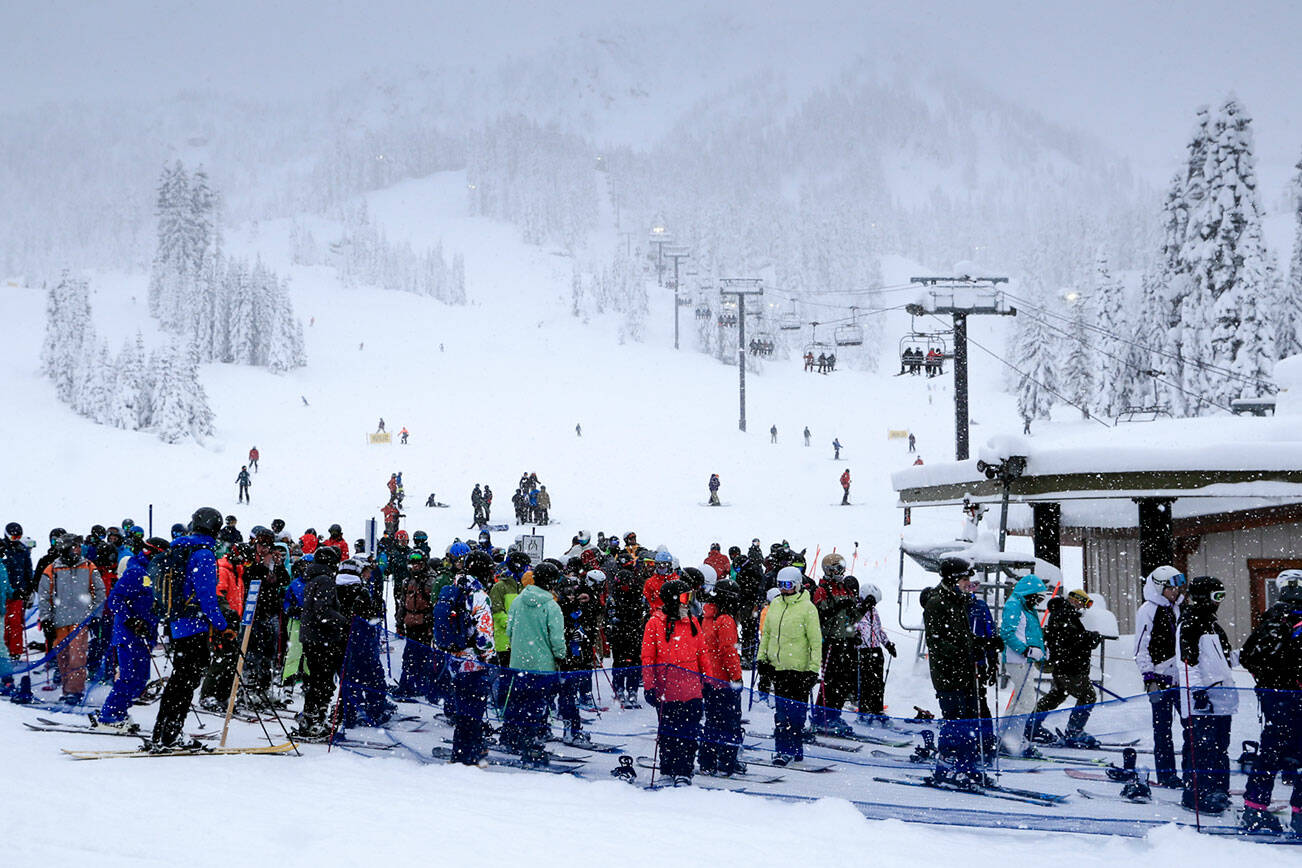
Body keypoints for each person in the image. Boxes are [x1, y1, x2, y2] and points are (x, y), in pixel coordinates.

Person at [152, 508, 233, 749]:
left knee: (178, 680)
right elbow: (208, 597)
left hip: (176, 622)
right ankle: (172, 734)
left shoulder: (179, 547)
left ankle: (161, 731)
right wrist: (222, 625)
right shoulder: (204, 554)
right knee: (186, 681)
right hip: (193, 624)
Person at [1238, 569, 1302, 835]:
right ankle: (1298, 815)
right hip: (1293, 698)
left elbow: (1246, 656)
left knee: (1270, 754)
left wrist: (1265, 680)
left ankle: (1255, 809)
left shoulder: (1270, 619)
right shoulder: (1292, 620)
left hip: (1273, 700)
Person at [1176, 575, 1237, 815]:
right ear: (1203, 597)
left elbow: (1224, 660)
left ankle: (1218, 790)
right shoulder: (1190, 623)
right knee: (1201, 747)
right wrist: (1197, 690)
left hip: (1221, 698)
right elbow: (1187, 662)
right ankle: (1196, 794)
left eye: (1222, 596)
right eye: (1216, 596)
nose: (1219, 602)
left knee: (1220, 746)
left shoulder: (1213, 625)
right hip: (1201, 699)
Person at [923, 555, 985, 787]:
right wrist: (967, 653)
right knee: (955, 720)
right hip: (948, 674)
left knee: (968, 719)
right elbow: (937, 642)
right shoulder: (937, 602)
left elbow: (962, 637)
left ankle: (966, 766)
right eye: (965, 578)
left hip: (964, 672)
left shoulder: (959, 601)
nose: (968, 583)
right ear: (953, 579)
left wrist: (981, 644)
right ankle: (947, 767)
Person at [96, 536, 169, 730]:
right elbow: (115, 599)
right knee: (129, 676)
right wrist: (131, 619)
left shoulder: (153, 574)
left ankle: (119, 711)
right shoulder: (136, 572)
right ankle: (110, 716)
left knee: (140, 679)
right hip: (129, 634)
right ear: (151, 553)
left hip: (145, 634)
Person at [642, 578, 707, 785]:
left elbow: (702, 653)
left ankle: (684, 770)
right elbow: (648, 657)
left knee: (689, 733)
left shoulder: (693, 622)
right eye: (683, 598)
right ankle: (668, 769)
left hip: (691, 691)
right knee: (668, 732)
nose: (686, 603)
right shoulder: (655, 623)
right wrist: (649, 686)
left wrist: (708, 680)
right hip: (667, 691)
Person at [757, 566, 821, 766]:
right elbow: (767, 635)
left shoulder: (807, 608)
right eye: (780, 585)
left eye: (788, 585)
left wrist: (812, 670)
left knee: (796, 714)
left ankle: (795, 747)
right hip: (779, 668)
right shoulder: (775, 605)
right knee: (782, 713)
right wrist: (762, 660)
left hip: (798, 671)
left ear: (797, 585)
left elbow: (815, 641)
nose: (784, 590)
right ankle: (783, 750)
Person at [503, 561, 565, 763]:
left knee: (516, 702)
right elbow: (557, 638)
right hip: (542, 666)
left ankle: (511, 738)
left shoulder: (518, 601)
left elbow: (509, 630)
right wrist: (561, 655)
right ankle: (533, 745)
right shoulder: (551, 606)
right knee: (536, 706)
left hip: (518, 663)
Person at [439, 550, 496, 765]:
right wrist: (489, 656)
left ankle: (473, 749)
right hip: (473, 662)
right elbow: (484, 635)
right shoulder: (479, 597)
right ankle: (464, 755)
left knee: (463, 708)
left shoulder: (454, 589)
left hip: (454, 659)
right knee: (472, 710)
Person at [1134, 564, 1186, 788]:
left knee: (1191, 726)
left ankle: (1192, 772)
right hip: (1161, 679)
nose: (1176, 591)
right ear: (1159, 588)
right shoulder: (1148, 610)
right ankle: (1167, 775)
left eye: (1178, 586)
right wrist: (1149, 679)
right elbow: (1140, 647)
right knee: (1163, 730)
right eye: (1170, 587)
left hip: (1183, 679)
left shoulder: (1180, 608)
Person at [38, 534, 106, 703]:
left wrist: (95, 615)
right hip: (59, 622)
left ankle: (75, 691)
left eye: (78, 546)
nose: (78, 549)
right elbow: (44, 596)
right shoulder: (51, 569)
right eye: (74, 546)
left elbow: (99, 592)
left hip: (80, 620)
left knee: (77, 655)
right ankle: (67, 688)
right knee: (62, 656)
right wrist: (46, 619)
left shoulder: (89, 567)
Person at [1029, 589, 1102, 747]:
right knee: (1088, 696)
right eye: (1083, 603)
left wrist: (1087, 637)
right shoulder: (1064, 614)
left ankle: (1032, 726)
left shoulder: (1063, 613)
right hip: (1070, 668)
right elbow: (1069, 640)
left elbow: (1068, 638)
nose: (1083, 608)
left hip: (1064, 666)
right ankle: (1074, 731)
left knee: (1057, 695)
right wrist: (1090, 637)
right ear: (1074, 600)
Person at [998, 573, 1049, 758]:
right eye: (1037, 597)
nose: (1037, 601)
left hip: (1025, 661)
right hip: (1017, 660)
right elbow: (1007, 633)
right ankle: (1013, 740)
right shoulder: (1015, 605)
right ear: (1029, 593)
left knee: (1018, 701)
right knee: (1027, 702)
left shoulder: (1026, 607)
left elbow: (1031, 632)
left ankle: (1005, 738)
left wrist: (1041, 650)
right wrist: (1025, 650)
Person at [699, 576, 745, 776]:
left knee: (712, 721)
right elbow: (729, 651)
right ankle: (727, 761)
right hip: (723, 681)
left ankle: (707, 761)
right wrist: (736, 677)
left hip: (709, 678)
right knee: (730, 723)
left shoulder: (707, 618)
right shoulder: (725, 620)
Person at [811, 553, 861, 736]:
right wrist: (838, 605)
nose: (840, 572)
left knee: (844, 680)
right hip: (830, 640)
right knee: (830, 680)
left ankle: (835, 714)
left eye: (842, 568)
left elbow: (853, 617)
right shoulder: (822, 590)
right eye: (836, 569)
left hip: (845, 640)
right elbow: (820, 614)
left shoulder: (845, 588)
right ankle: (821, 715)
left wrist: (860, 611)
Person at [853, 581, 895, 724]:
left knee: (877, 683)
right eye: (872, 602)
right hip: (863, 651)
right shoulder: (857, 610)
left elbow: (878, 629)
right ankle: (864, 712)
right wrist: (855, 636)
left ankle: (878, 710)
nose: (874, 605)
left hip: (875, 650)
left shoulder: (873, 612)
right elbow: (851, 626)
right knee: (865, 683)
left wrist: (887, 644)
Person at [2, 522, 34, 660]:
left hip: (17, 592)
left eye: (18, 537)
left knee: (15, 623)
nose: (16, 540)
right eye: (14, 537)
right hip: (2, 592)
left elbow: (27, 570)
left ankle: (14, 651)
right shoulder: (2, 549)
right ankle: (3, 651)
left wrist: (28, 589)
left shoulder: (22, 550)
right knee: (3, 624)